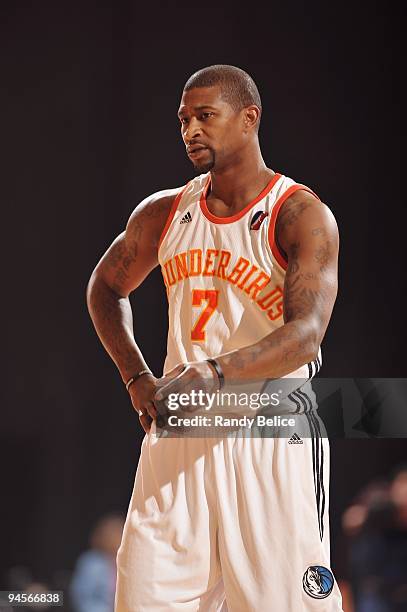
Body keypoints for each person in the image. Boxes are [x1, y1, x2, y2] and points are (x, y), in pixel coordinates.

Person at [87, 64, 343, 611]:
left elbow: (306, 335)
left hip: (269, 433)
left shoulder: (298, 213)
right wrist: (136, 377)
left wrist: (217, 371)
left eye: (206, 116)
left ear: (249, 119)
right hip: (180, 433)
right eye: (183, 120)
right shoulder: (165, 212)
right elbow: (105, 288)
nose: (191, 130)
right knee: (142, 597)